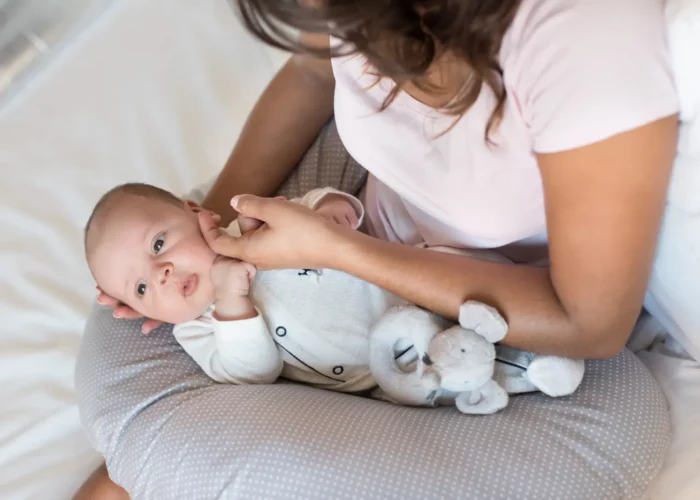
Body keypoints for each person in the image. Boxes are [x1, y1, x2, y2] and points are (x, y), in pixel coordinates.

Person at [87, 0, 679, 495]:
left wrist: (337, 249)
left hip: (494, 303)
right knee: (125, 318)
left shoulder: (583, 38)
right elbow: (312, 73)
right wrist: (206, 230)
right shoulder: (343, 10)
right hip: (359, 208)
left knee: (623, 422)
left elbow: (591, 323)